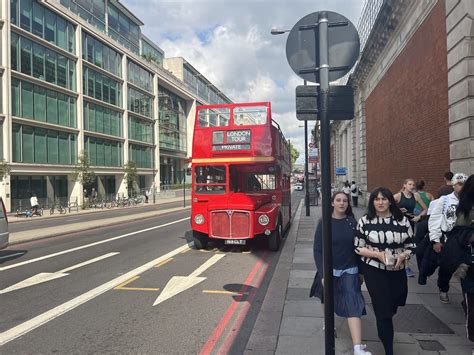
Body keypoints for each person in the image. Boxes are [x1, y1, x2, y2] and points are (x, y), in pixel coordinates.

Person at [355, 187, 415, 355]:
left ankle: (388, 313)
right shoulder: (366, 220)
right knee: (383, 312)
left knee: (396, 302)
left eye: (384, 199)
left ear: (390, 201)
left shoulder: (402, 220)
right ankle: (389, 349)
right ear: (372, 202)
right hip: (374, 270)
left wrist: (403, 255)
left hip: (398, 270)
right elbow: (358, 247)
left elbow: (411, 244)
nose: (380, 202)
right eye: (376, 199)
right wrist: (377, 255)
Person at [311, 192, 371, 355]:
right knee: (327, 298)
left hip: (350, 269)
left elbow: (358, 249)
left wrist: (361, 272)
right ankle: (328, 323)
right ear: (332, 203)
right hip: (329, 270)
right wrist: (323, 274)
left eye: (345, 201)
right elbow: (318, 250)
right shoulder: (324, 223)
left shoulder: (352, 222)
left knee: (353, 304)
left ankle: (358, 347)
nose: (342, 203)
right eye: (338, 200)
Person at [429, 172, 468, 303]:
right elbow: (434, 220)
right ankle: (443, 287)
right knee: (446, 268)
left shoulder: (469, 201)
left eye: (465, 184)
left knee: (466, 269)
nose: (463, 187)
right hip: (448, 240)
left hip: (464, 241)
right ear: (453, 185)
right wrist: (435, 240)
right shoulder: (444, 200)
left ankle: (467, 296)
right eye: (460, 184)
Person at [394, 178, 427, 277]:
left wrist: (418, 217)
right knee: (399, 243)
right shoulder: (398, 196)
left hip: (410, 223)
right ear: (404, 185)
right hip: (399, 223)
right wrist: (398, 209)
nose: (412, 186)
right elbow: (388, 205)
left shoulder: (416, 196)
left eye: (413, 185)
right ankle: (400, 263)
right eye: (410, 184)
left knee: (408, 244)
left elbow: (425, 209)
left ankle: (406, 266)